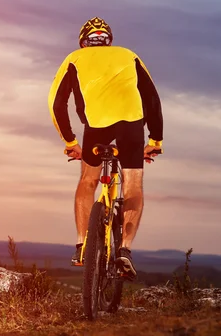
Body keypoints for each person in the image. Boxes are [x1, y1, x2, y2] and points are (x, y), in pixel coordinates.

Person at [47, 17, 164, 280]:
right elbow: (152, 99)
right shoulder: (129, 55)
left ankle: (82, 245)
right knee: (132, 185)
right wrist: (155, 141)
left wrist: (70, 142)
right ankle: (125, 250)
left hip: (96, 128)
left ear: (83, 40)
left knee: (88, 180)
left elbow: (56, 104)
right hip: (132, 126)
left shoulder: (75, 58)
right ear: (108, 40)